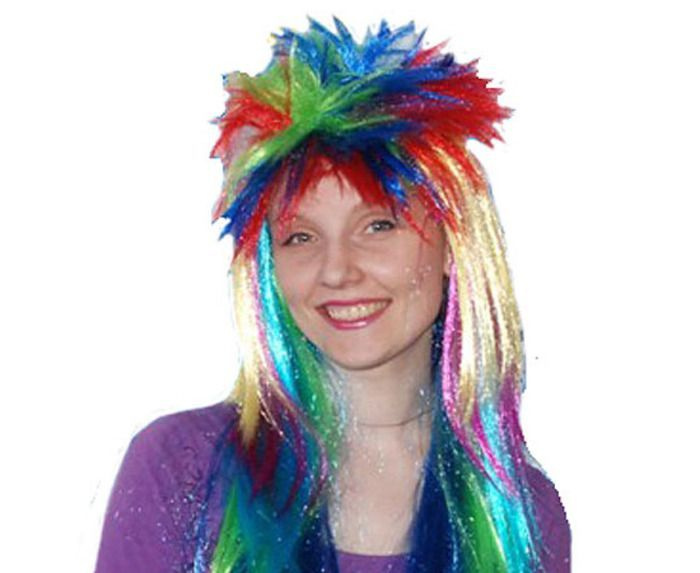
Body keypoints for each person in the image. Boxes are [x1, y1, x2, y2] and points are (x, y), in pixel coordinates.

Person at [95, 18, 570, 573]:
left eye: (378, 225)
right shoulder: (186, 470)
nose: (337, 271)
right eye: (301, 236)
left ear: (452, 243)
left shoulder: (515, 513)